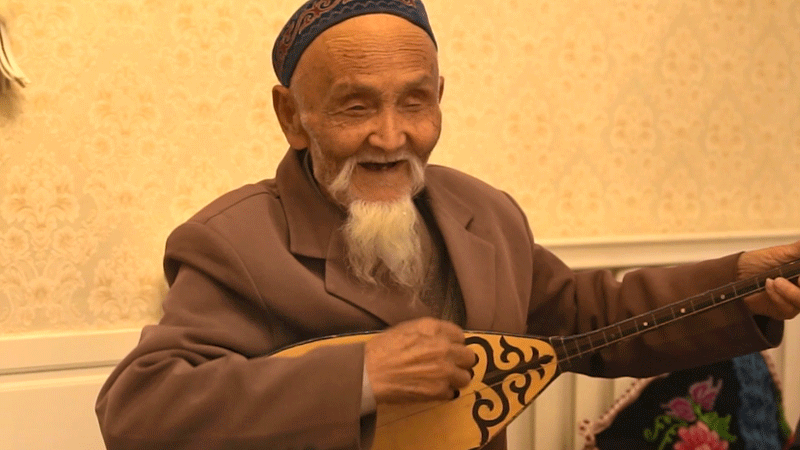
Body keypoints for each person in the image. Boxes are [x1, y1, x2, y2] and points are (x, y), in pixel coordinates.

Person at [95, 1, 800, 449]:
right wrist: (362, 375)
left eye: (415, 102)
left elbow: (587, 317)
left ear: (441, 99)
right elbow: (139, 410)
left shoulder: (484, 212)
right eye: (354, 107)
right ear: (292, 118)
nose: (391, 136)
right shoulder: (231, 241)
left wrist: (739, 283)